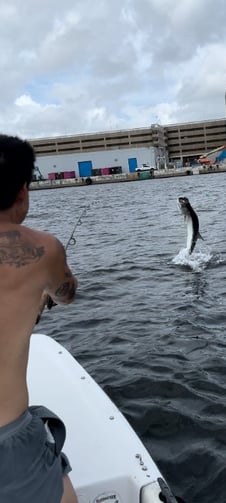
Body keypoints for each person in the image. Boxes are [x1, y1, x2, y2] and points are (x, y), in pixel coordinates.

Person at [0, 134, 78, 503]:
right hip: (5, 438)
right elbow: (66, 296)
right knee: (65, 494)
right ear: (23, 191)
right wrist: (43, 295)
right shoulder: (44, 249)